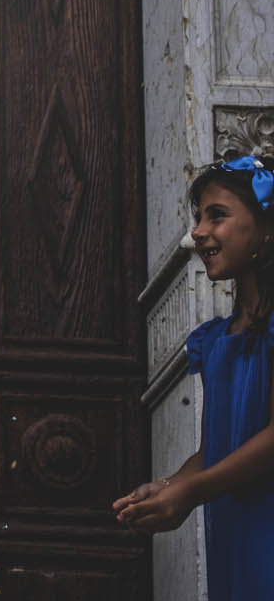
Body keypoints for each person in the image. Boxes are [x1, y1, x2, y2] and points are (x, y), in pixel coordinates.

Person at [115, 150, 274, 597]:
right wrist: (170, 488)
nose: (198, 232)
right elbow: (216, 449)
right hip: (232, 528)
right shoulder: (216, 339)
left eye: (217, 216)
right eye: (198, 217)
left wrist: (192, 492)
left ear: (267, 226)